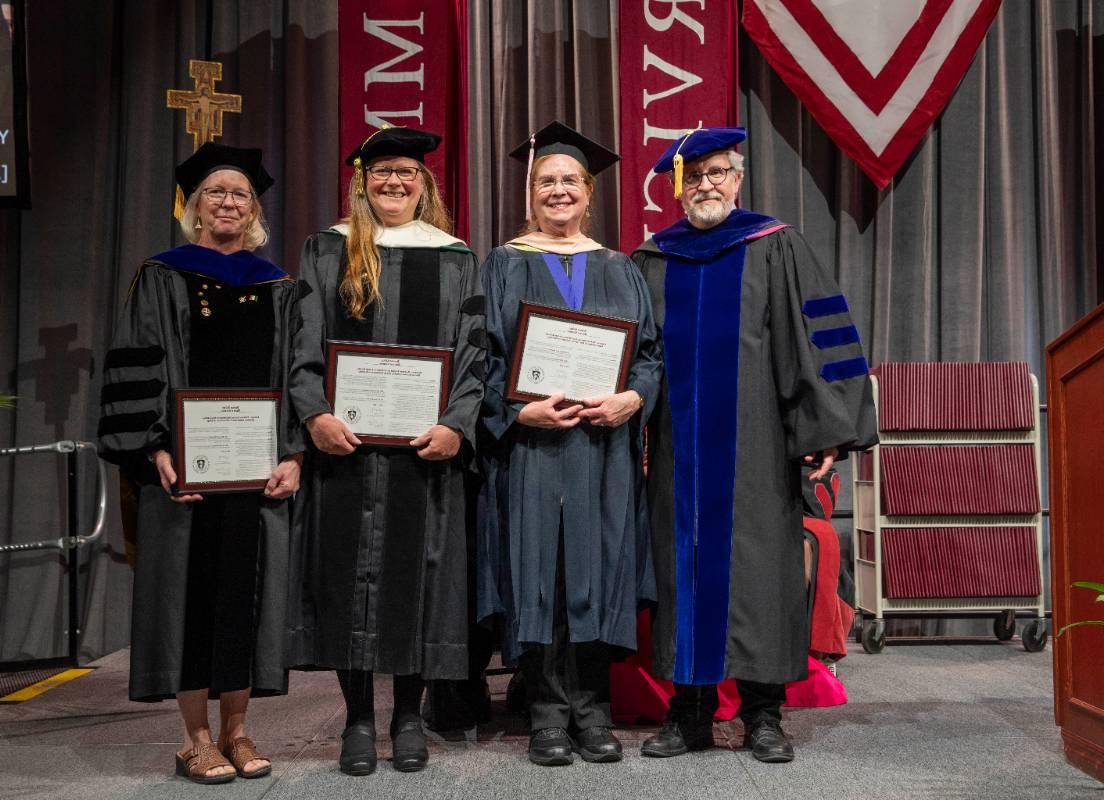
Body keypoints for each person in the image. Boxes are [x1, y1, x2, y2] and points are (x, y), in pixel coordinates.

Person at [631, 127, 877, 764]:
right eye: (696, 175)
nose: (707, 185)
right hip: (677, 454)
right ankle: (689, 714)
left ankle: (764, 714)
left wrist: (824, 432)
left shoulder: (775, 246)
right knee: (682, 573)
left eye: (719, 173)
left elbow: (819, 338)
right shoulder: (654, 259)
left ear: (738, 180)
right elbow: (635, 358)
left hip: (759, 446)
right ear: (678, 187)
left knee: (760, 575)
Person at [97, 142, 304, 784]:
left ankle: (239, 732)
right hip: (186, 470)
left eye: (240, 194)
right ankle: (195, 737)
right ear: (192, 206)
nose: (228, 203)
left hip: (255, 470)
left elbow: (299, 376)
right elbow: (140, 361)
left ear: (255, 210)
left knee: (244, 592)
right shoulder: (162, 276)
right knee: (190, 593)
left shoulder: (278, 286)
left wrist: (294, 453)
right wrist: (156, 448)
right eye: (215, 192)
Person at [287, 125, 485, 776]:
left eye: (406, 173)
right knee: (349, 580)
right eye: (381, 173)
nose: (394, 182)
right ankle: (357, 719)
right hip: (347, 451)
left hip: (424, 454)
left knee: (418, 579)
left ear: (424, 183)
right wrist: (313, 413)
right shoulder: (327, 250)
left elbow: (474, 353)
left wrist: (457, 423)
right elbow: (303, 343)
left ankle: (407, 715)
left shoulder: (454, 257)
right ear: (361, 181)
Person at [477, 122, 662, 766]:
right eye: (545, 181)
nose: (558, 192)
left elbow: (649, 356)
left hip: (602, 451)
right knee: (542, 575)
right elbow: (481, 358)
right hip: (532, 451)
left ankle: (594, 708)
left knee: (600, 573)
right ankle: (548, 714)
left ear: (590, 193)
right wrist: (516, 412)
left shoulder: (621, 267)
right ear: (530, 194)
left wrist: (631, 399)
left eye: (569, 182)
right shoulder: (503, 263)